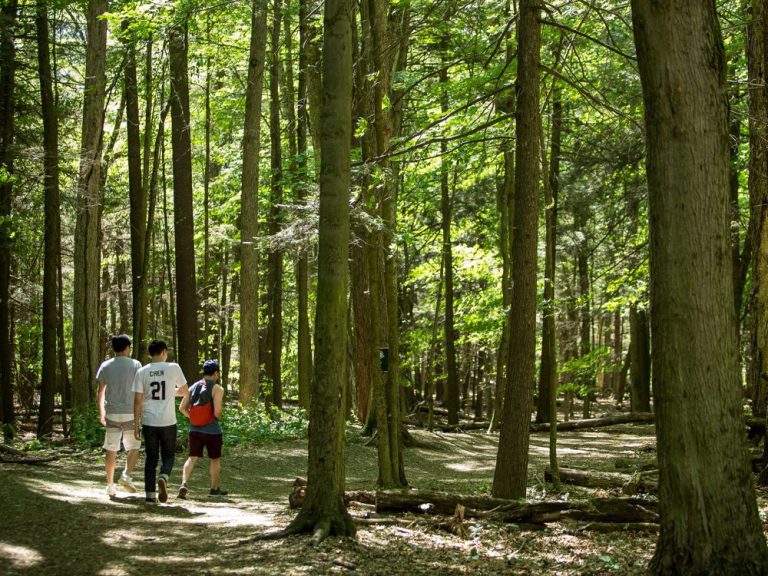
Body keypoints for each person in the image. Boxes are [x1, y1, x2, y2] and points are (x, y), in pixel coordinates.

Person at [132, 340, 188, 503]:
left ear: (150, 353)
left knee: (151, 458)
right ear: (164, 352)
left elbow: (138, 400)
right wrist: (171, 391)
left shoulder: (142, 371)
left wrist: (136, 424)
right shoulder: (173, 367)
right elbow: (185, 391)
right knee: (168, 455)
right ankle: (163, 476)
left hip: (149, 421)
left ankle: (150, 495)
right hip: (168, 420)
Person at [97, 334, 142, 498]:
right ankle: (126, 475)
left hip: (112, 413)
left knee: (111, 449)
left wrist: (101, 412)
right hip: (130, 413)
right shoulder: (136, 364)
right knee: (135, 446)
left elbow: (100, 392)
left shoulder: (105, 366)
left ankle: (110, 485)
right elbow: (139, 391)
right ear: (127, 347)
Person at [178, 360, 228, 498]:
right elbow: (217, 411)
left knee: (191, 458)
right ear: (216, 373)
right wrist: (215, 417)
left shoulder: (194, 387)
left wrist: (192, 417)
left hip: (194, 430)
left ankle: (184, 483)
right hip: (212, 430)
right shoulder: (217, 388)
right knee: (215, 459)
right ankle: (213, 489)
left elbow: (182, 408)